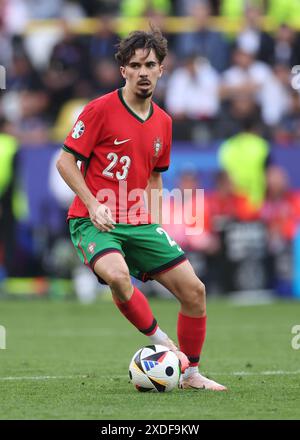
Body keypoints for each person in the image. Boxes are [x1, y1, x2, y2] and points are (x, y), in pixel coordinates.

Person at [56, 28, 226, 391]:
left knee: (194, 290)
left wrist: (155, 221)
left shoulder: (164, 121)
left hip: (138, 220)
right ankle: (164, 343)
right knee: (117, 277)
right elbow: (65, 162)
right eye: (135, 65)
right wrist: (91, 202)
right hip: (92, 220)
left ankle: (192, 374)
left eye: (150, 64)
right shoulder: (99, 109)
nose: (143, 71)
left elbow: (154, 178)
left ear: (162, 69)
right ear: (124, 71)